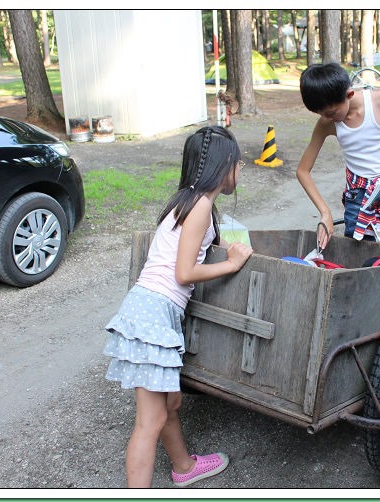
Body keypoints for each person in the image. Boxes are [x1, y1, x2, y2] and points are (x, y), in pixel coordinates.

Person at [102, 125, 252, 488]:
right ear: (223, 165)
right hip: (155, 311)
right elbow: (184, 272)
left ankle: (184, 467)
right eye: (237, 161)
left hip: (148, 308)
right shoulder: (201, 206)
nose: (242, 167)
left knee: (169, 404)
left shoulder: (187, 200)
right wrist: (231, 264)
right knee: (148, 422)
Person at [297, 62, 380, 248]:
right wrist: (325, 212)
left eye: (330, 112)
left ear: (349, 94)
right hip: (359, 194)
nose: (327, 118)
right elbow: (303, 171)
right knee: (358, 251)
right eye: (320, 114)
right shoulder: (327, 123)